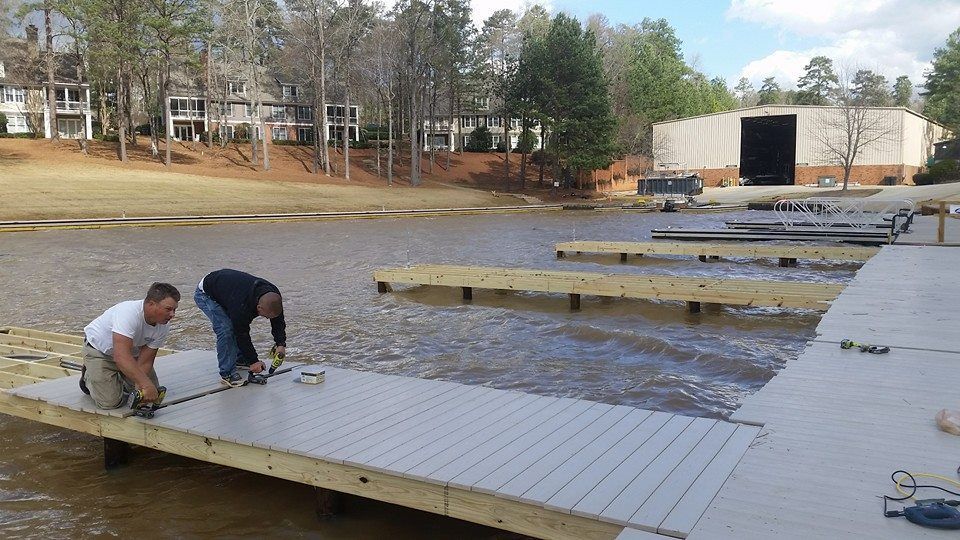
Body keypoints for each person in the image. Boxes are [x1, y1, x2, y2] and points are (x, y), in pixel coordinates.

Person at [79, 282, 180, 409]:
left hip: (131, 354)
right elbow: (121, 357)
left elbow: (146, 361)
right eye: (168, 309)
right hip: (100, 353)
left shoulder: (163, 325)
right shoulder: (128, 314)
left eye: (174, 309)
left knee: (150, 395)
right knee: (110, 402)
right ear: (151, 304)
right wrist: (145, 385)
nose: (172, 315)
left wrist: (141, 388)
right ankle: (88, 377)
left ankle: (119, 378)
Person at [194, 269, 286, 387]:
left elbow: (278, 321)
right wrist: (253, 361)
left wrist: (280, 344)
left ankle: (240, 359)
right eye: (267, 316)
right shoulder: (241, 306)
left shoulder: (273, 296)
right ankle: (227, 373)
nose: (268, 319)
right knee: (226, 329)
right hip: (206, 293)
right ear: (259, 308)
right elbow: (241, 333)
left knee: (235, 325)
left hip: (228, 290)